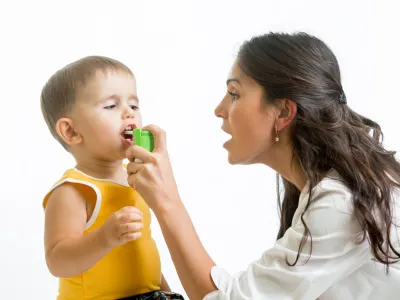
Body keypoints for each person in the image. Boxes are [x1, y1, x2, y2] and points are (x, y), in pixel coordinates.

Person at [125, 32, 400, 299]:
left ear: (282, 112)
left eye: (234, 93)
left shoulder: (340, 203)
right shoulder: (326, 188)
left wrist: (166, 200)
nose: (219, 109)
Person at [40, 56, 184, 300]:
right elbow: (58, 262)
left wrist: (163, 292)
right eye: (111, 106)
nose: (129, 113)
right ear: (71, 131)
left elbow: (142, 253)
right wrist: (105, 237)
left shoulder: (136, 179)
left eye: (134, 105)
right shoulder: (74, 190)